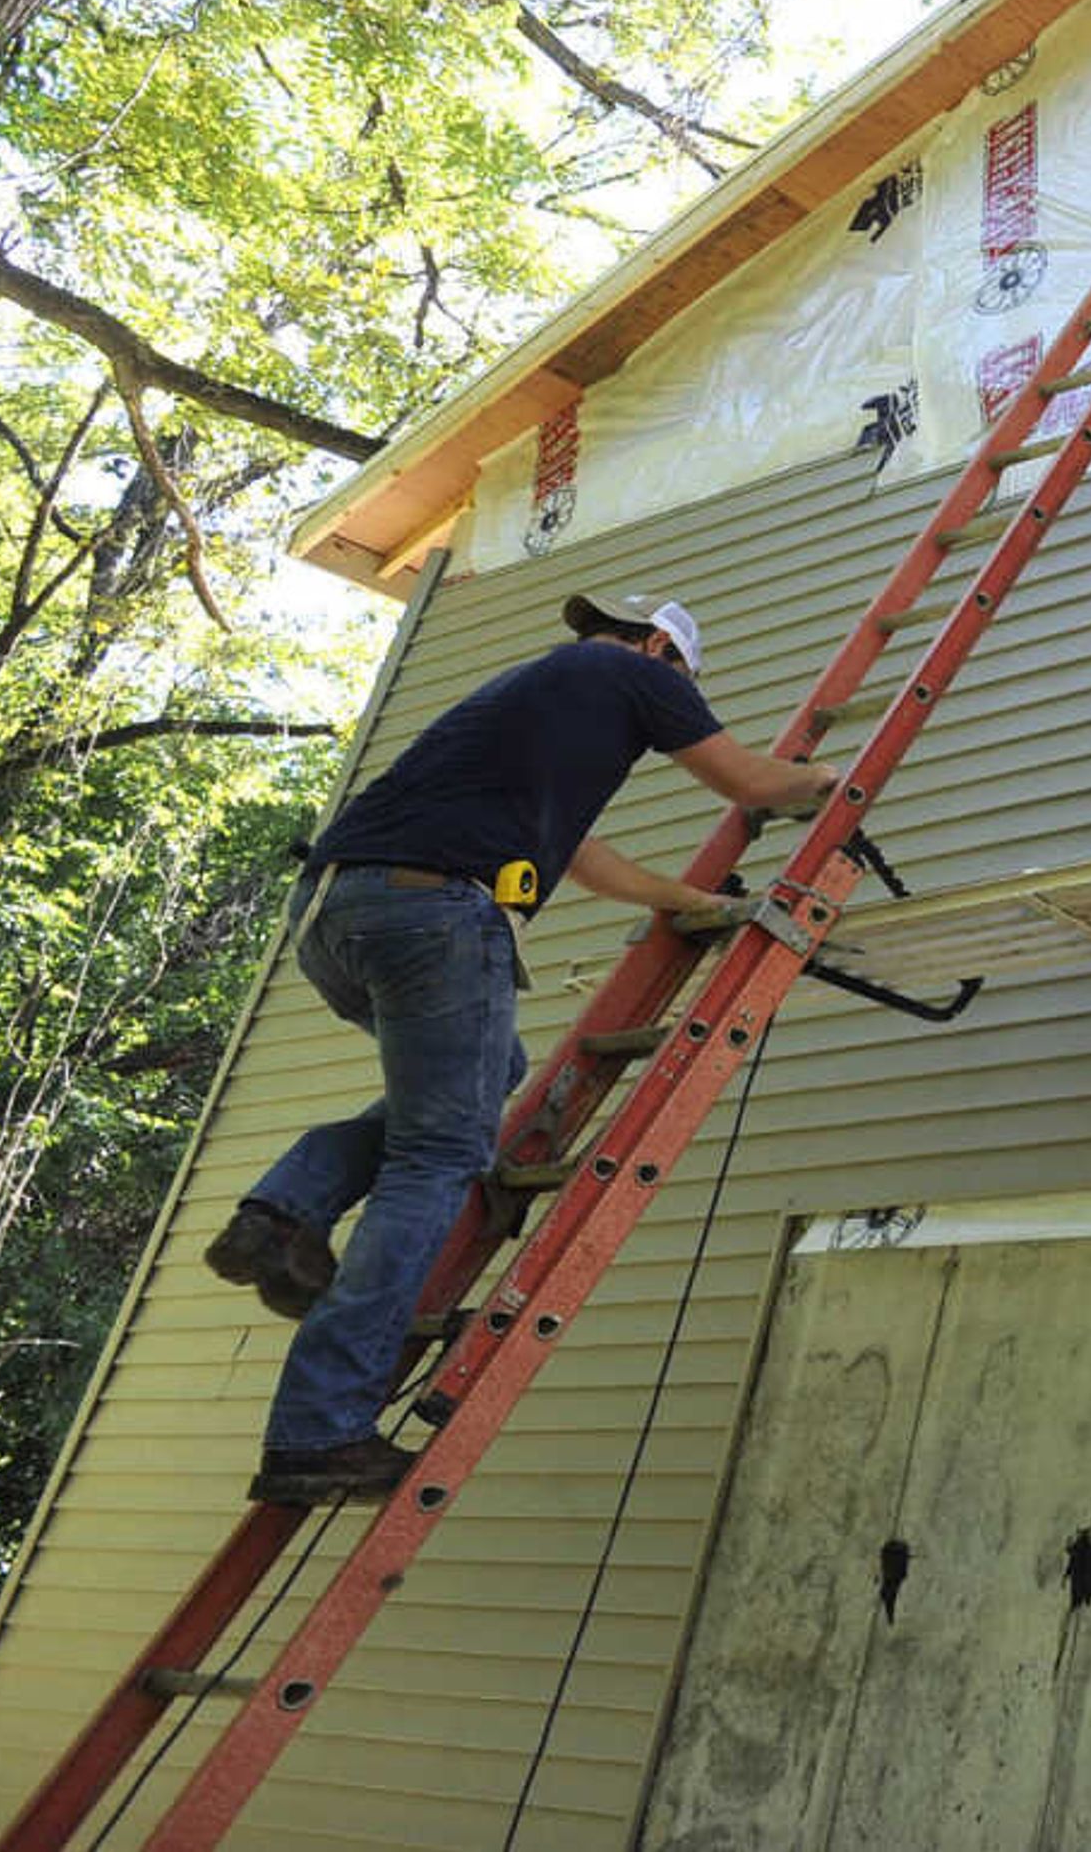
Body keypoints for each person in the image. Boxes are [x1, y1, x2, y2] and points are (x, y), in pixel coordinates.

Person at [213, 592, 839, 1505]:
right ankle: (319, 1431)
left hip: (339, 914)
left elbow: (589, 860)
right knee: (442, 1151)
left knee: (487, 1076)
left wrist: (689, 900)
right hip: (435, 911)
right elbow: (751, 782)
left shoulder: (537, 713)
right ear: (664, 650)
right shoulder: (633, 673)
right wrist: (834, 785)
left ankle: (280, 1212)